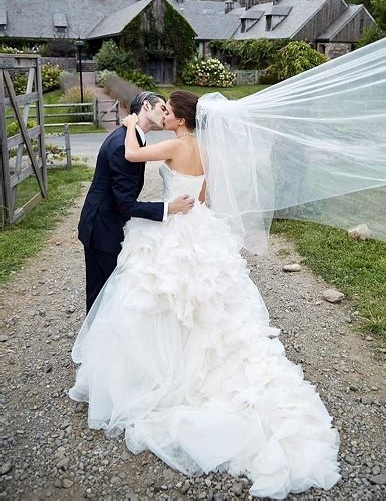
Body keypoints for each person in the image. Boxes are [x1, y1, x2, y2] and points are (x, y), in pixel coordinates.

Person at [70, 90, 341, 499]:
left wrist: (129, 124)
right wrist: (186, 208)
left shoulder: (175, 143)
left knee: (163, 295)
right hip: (197, 221)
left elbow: (130, 155)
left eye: (168, 111)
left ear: (179, 120)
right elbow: (201, 197)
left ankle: (155, 366)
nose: (164, 115)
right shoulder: (203, 148)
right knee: (205, 298)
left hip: (176, 225)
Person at [78, 91, 195, 313]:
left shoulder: (132, 138)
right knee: (109, 294)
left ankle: (98, 342)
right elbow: (126, 205)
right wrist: (169, 208)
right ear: (146, 107)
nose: (166, 113)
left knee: (104, 294)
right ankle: (98, 344)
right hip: (103, 229)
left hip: (104, 223)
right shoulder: (123, 144)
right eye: (163, 108)